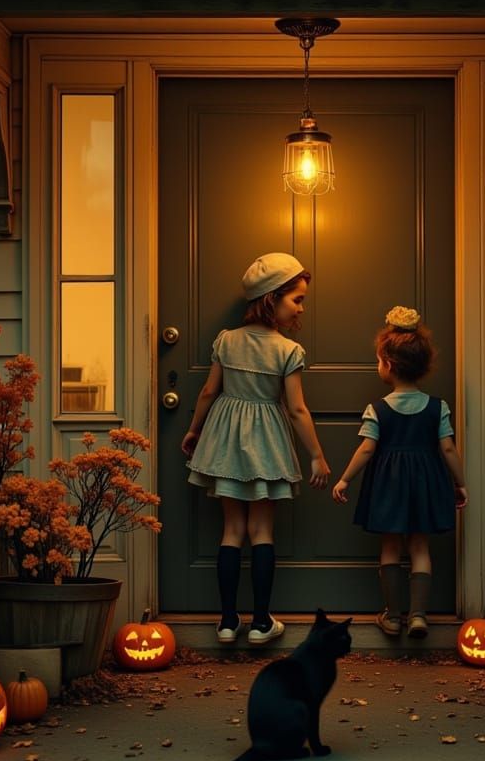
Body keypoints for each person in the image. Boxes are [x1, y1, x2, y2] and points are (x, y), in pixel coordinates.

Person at [182, 252, 331, 645]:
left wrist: (195, 431)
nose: (301, 307)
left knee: (232, 530)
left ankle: (229, 621)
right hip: (267, 443)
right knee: (262, 530)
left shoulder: (227, 341)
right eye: (296, 299)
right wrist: (315, 453)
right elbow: (297, 408)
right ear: (271, 299)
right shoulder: (287, 351)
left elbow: (209, 391)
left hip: (225, 441)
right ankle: (262, 622)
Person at [331, 306, 468, 639]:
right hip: (426, 484)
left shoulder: (377, 409)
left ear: (388, 365)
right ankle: (419, 615)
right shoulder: (438, 407)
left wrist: (345, 478)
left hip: (388, 487)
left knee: (390, 546)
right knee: (420, 545)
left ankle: (393, 617)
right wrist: (460, 483)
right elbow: (448, 448)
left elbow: (366, 449)